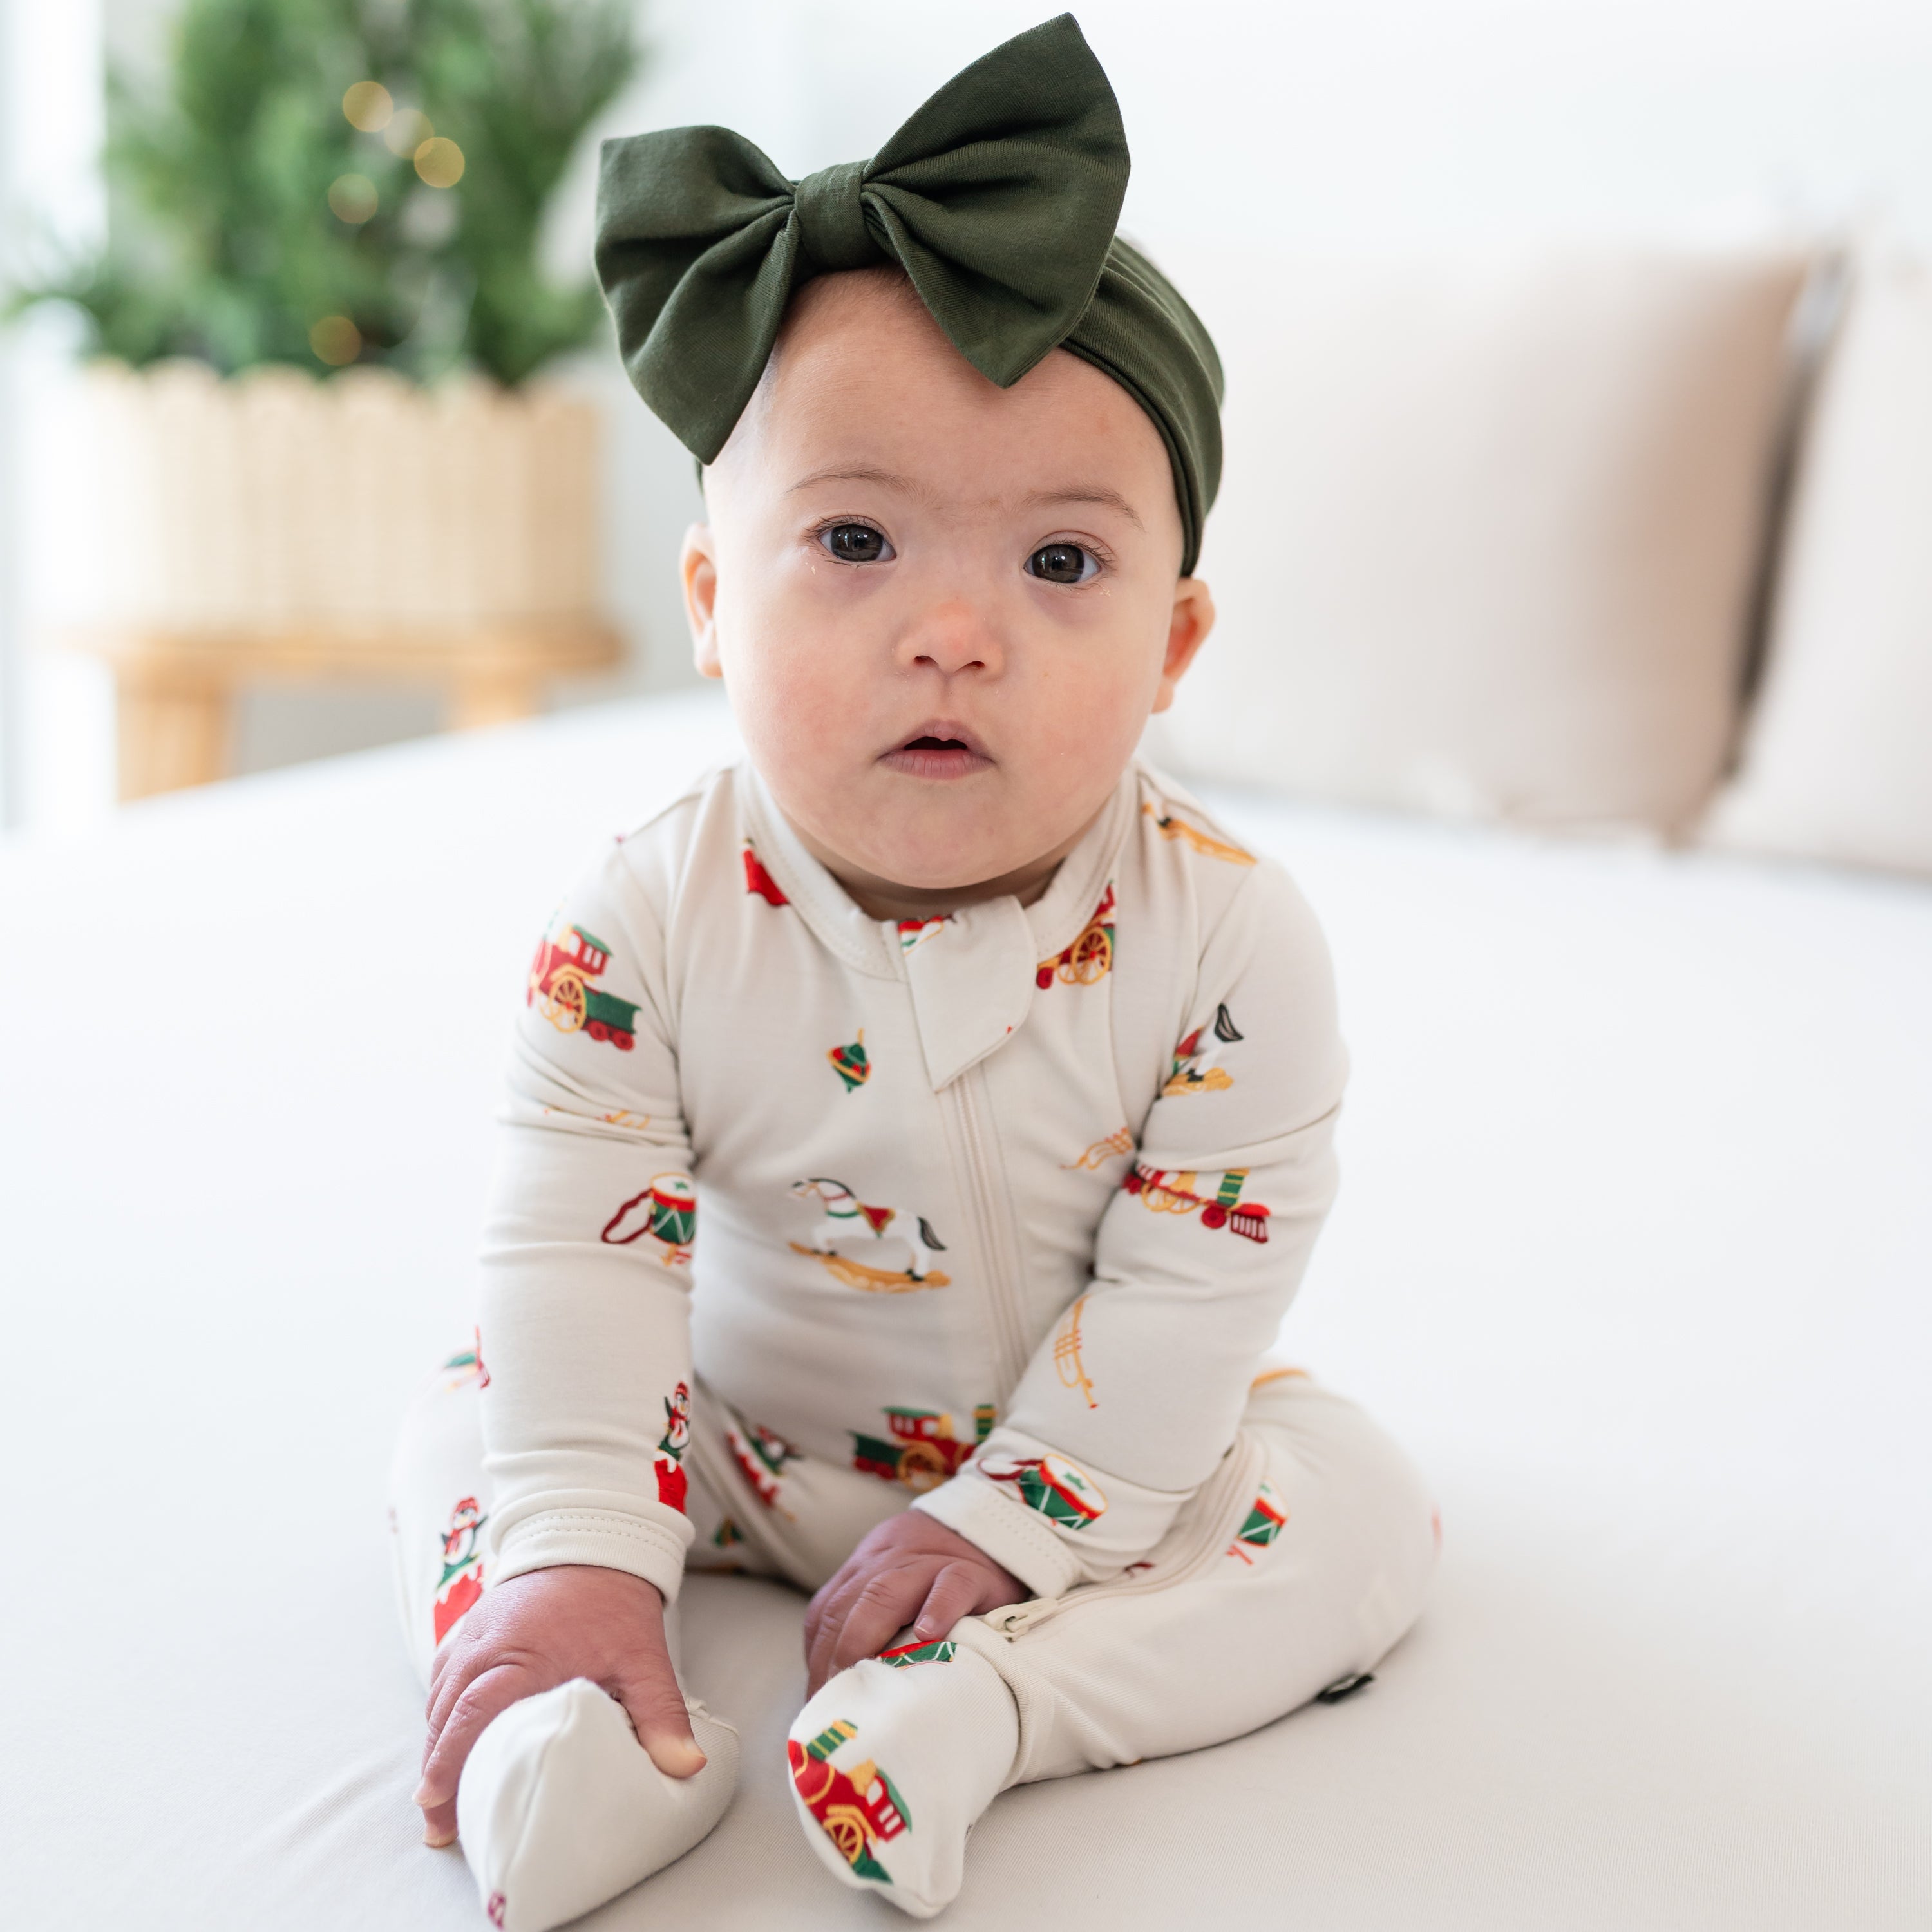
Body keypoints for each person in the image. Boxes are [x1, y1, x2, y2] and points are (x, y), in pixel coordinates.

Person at [389, 17, 1437, 1929]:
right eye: (855, 540)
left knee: (1358, 1508)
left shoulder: (1229, 936)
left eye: (1059, 564)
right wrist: (584, 1544)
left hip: (1092, 1469)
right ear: (713, 603)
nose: (954, 633)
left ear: (1175, 640)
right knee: (475, 1415)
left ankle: (984, 1716)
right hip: (729, 1433)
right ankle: (577, 1715)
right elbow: (582, 1254)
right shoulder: (642, 925)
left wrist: (1025, 1519)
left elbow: (1201, 1280)